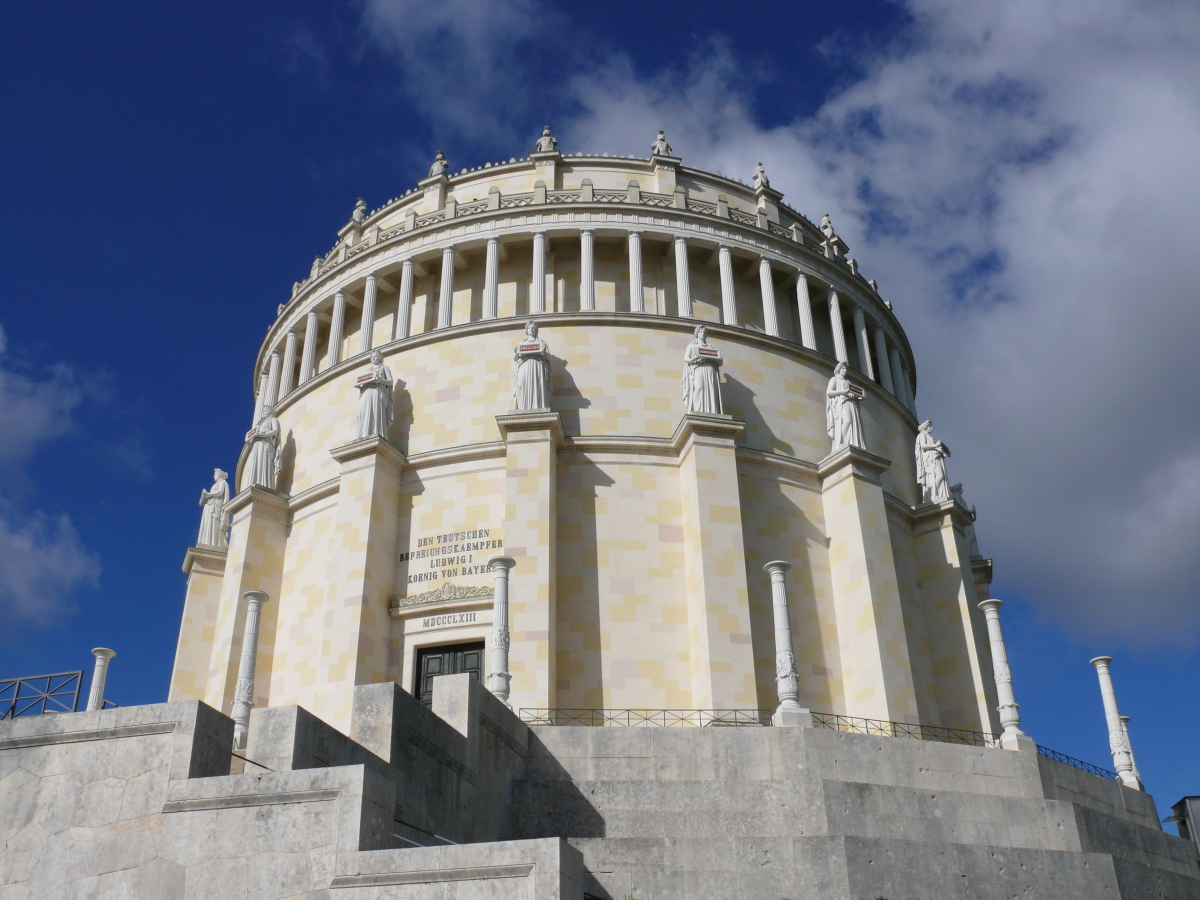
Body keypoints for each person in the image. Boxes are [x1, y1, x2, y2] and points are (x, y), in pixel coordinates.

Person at [682, 325, 723, 414]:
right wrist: (693, 360)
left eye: (704, 332)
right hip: (698, 368)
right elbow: (686, 357)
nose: (702, 333)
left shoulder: (710, 347)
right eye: (700, 332)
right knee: (699, 387)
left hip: (710, 369)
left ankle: (712, 411)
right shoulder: (692, 346)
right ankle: (697, 410)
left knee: (711, 389)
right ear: (697, 334)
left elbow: (719, 361)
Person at [355, 349, 394, 440]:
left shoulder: (384, 368)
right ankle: (364, 433)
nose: (373, 358)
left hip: (377, 392)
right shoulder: (368, 371)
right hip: (366, 392)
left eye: (375, 356)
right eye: (372, 357)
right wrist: (359, 387)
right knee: (363, 412)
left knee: (375, 411)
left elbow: (390, 381)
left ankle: (376, 431)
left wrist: (381, 380)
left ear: (380, 358)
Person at [825, 361, 865, 451]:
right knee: (847, 421)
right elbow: (829, 392)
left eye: (845, 369)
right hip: (842, 403)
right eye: (843, 368)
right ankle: (842, 442)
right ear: (839, 370)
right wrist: (843, 392)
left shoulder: (848, 382)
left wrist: (858, 399)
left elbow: (852, 394)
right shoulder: (834, 379)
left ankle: (851, 442)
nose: (845, 370)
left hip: (851, 404)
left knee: (852, 423)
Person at [512, 321, 551, 410]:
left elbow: (548, 356)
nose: (532, 329)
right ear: (526, 330)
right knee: (521, 385)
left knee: (538, 386)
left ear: (536, 330)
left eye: (533, 328)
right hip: (524, 365)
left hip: (537, 365)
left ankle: (538, 406)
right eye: (529, 328)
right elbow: (515, 359)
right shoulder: (521, 343)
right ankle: (522, 407)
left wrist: (544, 351)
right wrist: (516, 353)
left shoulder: (541, 342)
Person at [245, 405, 283, 491]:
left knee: (263, 461)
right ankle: (253, 482)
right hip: (257, 444)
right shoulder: (260, 425)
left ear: (270, 411)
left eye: (265, 410)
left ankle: (264, 483)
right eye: (263, 410)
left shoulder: (273, 419)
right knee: (256, 463)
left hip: (265, 444)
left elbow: (275, 430)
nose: (263, 412)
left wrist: (263, 435)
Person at [915, 420, 951, 503]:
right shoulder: (922, 435)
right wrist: (935, 445)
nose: (931, 428)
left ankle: (936, 493)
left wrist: (942, 452)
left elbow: (933, 447)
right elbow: (923, 446)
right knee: (939, 476)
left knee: (941, 476)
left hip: (936, 457)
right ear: (925, 427)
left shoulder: (930, 437)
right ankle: (933, 493)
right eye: (930, 427)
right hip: (930, 459)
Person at [197, 468, 230, 547]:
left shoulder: (222, 482)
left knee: (215, 524)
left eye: (215, 474)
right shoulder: (215, 484)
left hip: (215, 507)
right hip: (210, 505)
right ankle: (207, 542)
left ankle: (214, 543)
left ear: (220, 475)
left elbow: (220, 492)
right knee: (208, 525)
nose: (214, 476)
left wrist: (208, 494)